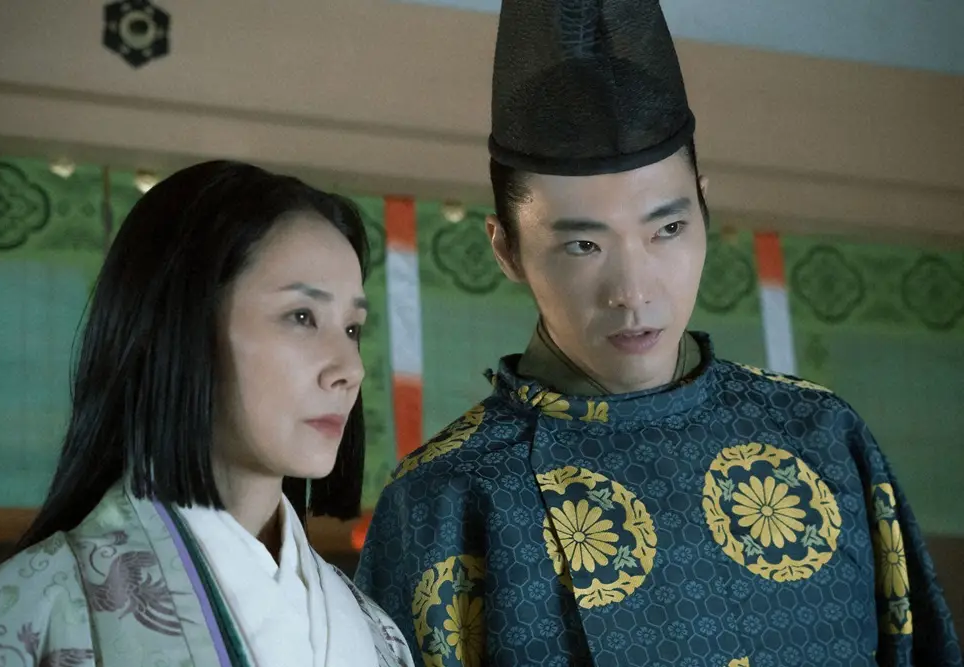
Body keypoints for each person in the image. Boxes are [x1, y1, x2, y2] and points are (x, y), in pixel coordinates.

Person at [354, 1, 962, 665]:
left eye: (668, 229)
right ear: (506, 249)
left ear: (704, 206)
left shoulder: (824, 435)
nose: (634, 290)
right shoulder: (444, 498)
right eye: (584, 245)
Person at [0, 161, 413, 667]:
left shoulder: (378, 634)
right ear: (182, 327)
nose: (350, 369)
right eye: (302, 316)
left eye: (352, 328)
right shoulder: (28, 618)